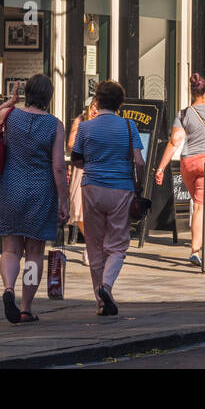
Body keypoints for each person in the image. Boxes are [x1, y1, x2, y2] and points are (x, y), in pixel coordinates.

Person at [0, 74, 67, 326]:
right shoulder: (55, 125)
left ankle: (8, 289)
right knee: (34, 254)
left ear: (27, 93)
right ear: (49, 96)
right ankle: (25, 308)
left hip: (10, 188)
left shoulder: (11, 116)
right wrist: (64, 201)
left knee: (10, 249)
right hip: (40, 193)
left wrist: (11, 102)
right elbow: (57, 168)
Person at [70, 80, 144, 315]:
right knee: (118, 245)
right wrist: (139, 186)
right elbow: (139, 162)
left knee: (94, 246)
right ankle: (107, 285)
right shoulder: (129, 126)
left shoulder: (85, 128)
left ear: (98, 101)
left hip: (92, 188)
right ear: (120, 103)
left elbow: (76, 159)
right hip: (121, 189)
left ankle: (100, 302)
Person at [154, 73, 205, 267]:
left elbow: (174, 141)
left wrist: (161, 168)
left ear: (192, 92)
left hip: (187, 163)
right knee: (202, 206)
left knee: (198, 204)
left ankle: (201, 245)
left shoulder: (183, 113)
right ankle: (196, 250)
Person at [66, 97, 98, 251]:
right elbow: (71, 144)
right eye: (93, 106)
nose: (94, 111)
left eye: (98, 108)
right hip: (82, 169)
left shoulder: (108, 124)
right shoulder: (80, 121)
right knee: (78, 208)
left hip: (101, 170)